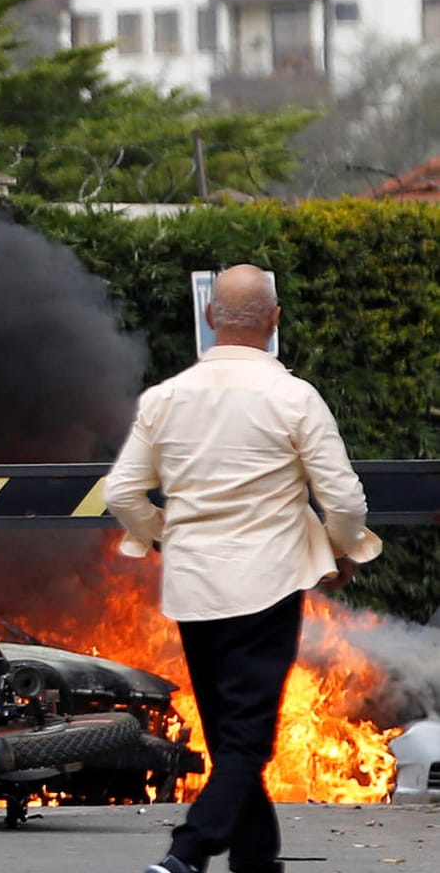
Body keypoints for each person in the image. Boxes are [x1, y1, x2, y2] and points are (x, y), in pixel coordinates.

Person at [103, 264, 381, 873]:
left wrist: (160, 538)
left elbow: (123, 493)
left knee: (232, 736)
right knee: (247, 740)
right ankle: (187, 852)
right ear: (275, 320)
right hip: (268, 584)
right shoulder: (294, 397)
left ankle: (257, 861)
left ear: (209, 319)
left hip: (195, 587)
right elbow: (346, 500)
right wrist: (339, 551)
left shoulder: (165, 399)